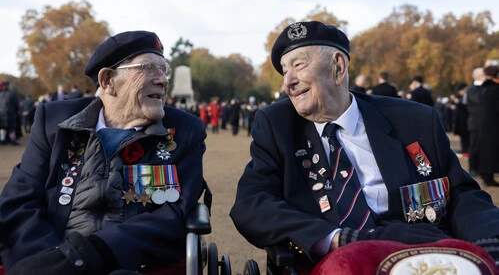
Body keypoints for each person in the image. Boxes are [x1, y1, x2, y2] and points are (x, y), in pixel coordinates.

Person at [230, 21, 499, 271]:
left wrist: (489, 243)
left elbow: (462, 194)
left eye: (298, 66)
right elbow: (251, 204)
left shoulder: (413, 120)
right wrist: (336, 238)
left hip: (422, 258)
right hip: (336, 264)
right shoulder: (277, 125)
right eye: (284, 70)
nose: (287, 82)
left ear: (338, 67)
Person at [0, 31, 207, 274]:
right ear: (108, 80)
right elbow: (19, 202)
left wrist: (92, 254)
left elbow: (172, 215)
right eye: (149, 68)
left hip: (128, 264)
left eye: (165, 70)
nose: (163, 80)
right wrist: (52, 261)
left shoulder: (185, 131)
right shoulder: (53, 121)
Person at [478, 65, 499, 187]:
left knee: (487, 149)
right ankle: (488, 175)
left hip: (485, 121)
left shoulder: (484, 88)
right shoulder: (495, 89)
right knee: (491, 150)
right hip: (494, 122)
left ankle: (486, 174)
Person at [467, 67, 486, 176]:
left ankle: (480, 168)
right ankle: (473, 168)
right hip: (475, 123)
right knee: (475, 146)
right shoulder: (472, 89)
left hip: (482, 123)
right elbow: (479, 100)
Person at [0, 81, 20, 145]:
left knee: (3, 127)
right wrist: (17, 110)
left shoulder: (0, 94)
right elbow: (17, 104)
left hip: (0, 113)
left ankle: (2, 140)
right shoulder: (12, 94)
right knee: (12, 127)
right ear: (8, 86)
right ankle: (13, 140)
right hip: (10, 113)